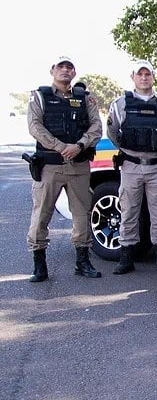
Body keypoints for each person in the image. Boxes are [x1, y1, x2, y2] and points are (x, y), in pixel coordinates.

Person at [25, 55, 104, 281]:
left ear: (74, 72)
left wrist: (79, 146)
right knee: (41, 215)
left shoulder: (86, 98)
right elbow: (35, 127)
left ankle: (82, 262)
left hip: (78, 165)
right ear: (53, 70)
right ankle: (39, 265)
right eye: (61, 67)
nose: (65, 70)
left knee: (82, 214)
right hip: (50, 165)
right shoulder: (40, 96)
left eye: (70, 67)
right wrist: (62, 147)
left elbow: (96, 127)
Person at [106, 60, 157, 275]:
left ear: (153, 76)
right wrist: (127, 149)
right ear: (133, 77)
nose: (144, 78)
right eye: (140, 74)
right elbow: (112, 131)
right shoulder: (121, 103)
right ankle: (126, 257)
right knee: (129, 211)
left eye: (147, 74)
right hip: (131, 165)